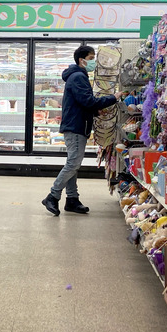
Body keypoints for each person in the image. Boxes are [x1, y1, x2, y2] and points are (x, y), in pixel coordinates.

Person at [42, 45, 117, 216]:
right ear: (81, 60)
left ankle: (72, 199)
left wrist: (95, 111)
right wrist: (113, 98)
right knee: (74, 163)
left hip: (77, 124)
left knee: (73, 164)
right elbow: (88, 101)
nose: (93, 62)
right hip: (76, 126)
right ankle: (52, 196)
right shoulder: (77, 77)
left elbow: (82, 103)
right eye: (91, 58)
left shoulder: (77, 76)